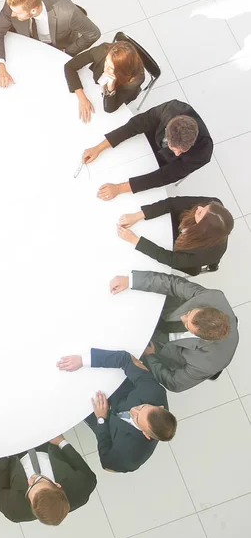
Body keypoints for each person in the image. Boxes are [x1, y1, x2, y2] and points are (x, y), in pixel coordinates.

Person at [109, 271, 239, 392]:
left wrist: (150, 357)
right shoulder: (212, 297)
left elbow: (173, 383)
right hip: (162, 312)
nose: (182, 317)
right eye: (189, 312)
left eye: (187, 324)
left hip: (162, 347)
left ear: (203, 338)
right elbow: (172, 283)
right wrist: (131, 281)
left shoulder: (205, 364)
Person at [57, 350, 177, 473]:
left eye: (136, 418)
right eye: (142, 407)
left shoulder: (129, 457)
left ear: (146, 434)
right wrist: (83, 360)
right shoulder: (154, 392)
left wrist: (101, 419)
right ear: (160, 407)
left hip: (98, 418)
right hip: (113, 387)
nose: (133, 410)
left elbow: (107, 463)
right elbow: (126, 359)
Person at [82, 100, 213, 200]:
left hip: (167, 164)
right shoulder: (172, 109)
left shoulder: (203, 152)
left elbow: (164, 176)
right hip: (151, 138)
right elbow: (137, 123)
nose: (178, 153)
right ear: (168, 129)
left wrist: (119, 188)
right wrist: (99, 147)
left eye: (182, 151)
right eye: (175, 148)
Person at [0, 0, 101, 88]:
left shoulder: (68, 13)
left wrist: (67, 52)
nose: (12, 14)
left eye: (18, 13)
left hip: (57, 46)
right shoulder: (14, 4)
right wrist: (0, 65)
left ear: (33, 10)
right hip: (28, 44)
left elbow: (93, 34)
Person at [0, 434, 96, 524]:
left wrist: (3, 454)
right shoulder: (81, 488)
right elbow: (87, 474)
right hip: (46, 445)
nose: (30, 480)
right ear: (57, 485)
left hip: (15, 454)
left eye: (30, 488)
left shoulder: (13, 510)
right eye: (38, 481)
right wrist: (61, 442)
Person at [117, 196, 234, 276]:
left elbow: (170, 259)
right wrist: (138, 216)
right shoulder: (213, 205)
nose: (199, 207)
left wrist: (135, 240)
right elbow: (172, 203)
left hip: (181, 252)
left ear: (202, 228)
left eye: (200, 213)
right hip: (177, 224)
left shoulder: (206, 254)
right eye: (204, 207)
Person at [63, 41, 144, 122]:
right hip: (93, 85)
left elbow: (109, 108)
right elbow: (69, 66)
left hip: (118, 93)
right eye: (106, 62)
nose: (106, 69)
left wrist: (110, 87)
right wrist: (82, 98)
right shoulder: (102, 51)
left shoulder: (134, 81)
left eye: (111, 68)